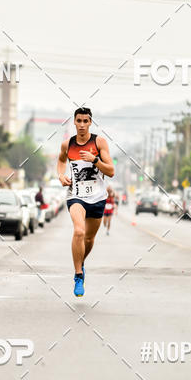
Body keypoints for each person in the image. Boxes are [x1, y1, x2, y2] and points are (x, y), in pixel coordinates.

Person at [57, 107, 115, 297]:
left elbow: (111, 171)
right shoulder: (68, 144)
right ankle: (78, 275)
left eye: (85, 121)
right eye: (78, 121)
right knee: (79, 231)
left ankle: (80, 262)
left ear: (90, 122)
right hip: (76, 195)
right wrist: (60, 175)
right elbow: (61, 160)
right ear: (74, 122)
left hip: (98, 197)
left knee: (89, 239)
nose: (82, 125)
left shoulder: (99, 142)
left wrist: (94, 159)